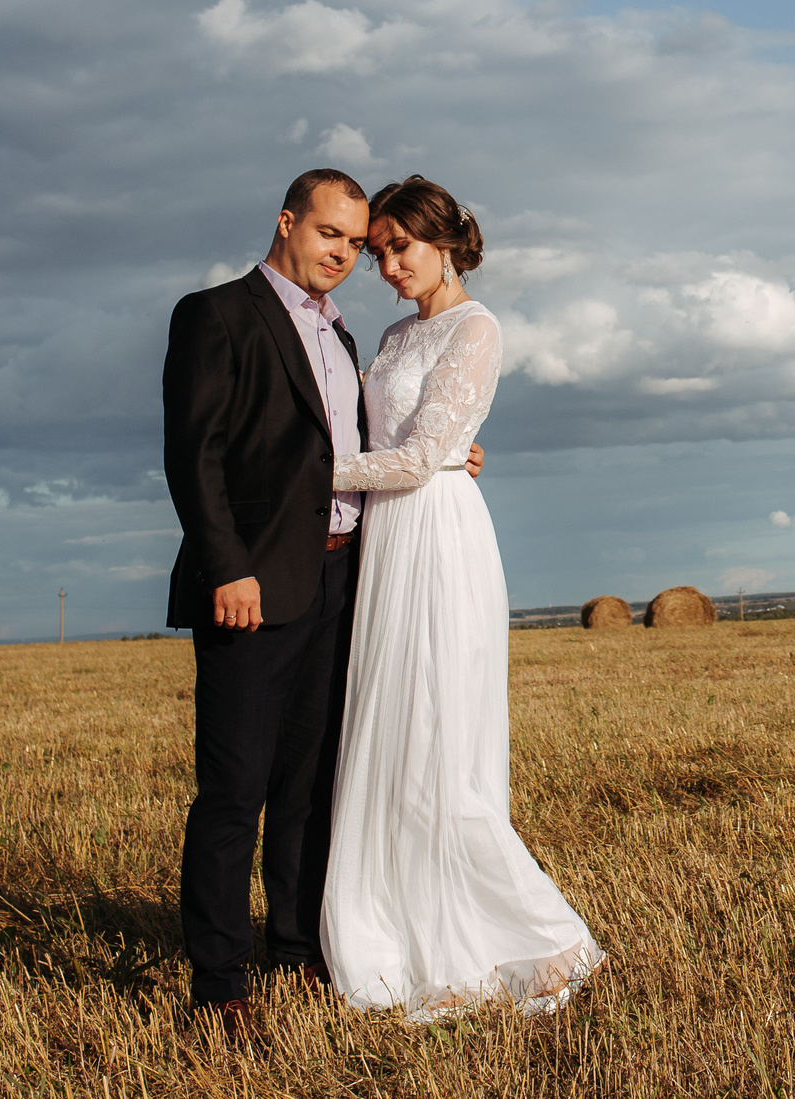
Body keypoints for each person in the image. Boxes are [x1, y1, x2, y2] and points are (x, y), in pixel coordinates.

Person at [161, 169, 482, 1030]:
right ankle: (220, 981)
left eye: (361, 243)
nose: (347, 254)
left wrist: (451, 454)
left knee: (309, 785)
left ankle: (297, 952)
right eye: (333, 235)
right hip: (254, 587)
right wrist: (227, 567)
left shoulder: (345, 338)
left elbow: (379, 439)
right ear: (287, 222)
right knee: (234, 786)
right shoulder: (217, 314)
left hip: (346, 579)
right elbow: (196, 457)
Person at [317, 175, 605, 1019]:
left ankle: (543, 937)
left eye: (401, 246)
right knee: (394, 741)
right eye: (377, 253)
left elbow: (418, 459)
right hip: (389, 540)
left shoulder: (477, 328)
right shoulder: (398, 331)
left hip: (437, 536)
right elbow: (397, 439)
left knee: (439, 746)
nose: (389, 265)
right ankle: (400, 931)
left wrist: (301, 476)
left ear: (447, 240)